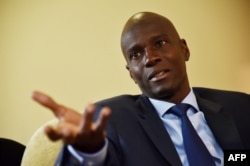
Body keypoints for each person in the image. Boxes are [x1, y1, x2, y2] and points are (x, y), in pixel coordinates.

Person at [32, 11, 250, 166]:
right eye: (136, 54)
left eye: (160, 43)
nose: (150, 58)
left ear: (184, 49)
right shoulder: (112, 120)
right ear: (131, 73)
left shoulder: (240, 106)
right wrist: (90, 153)